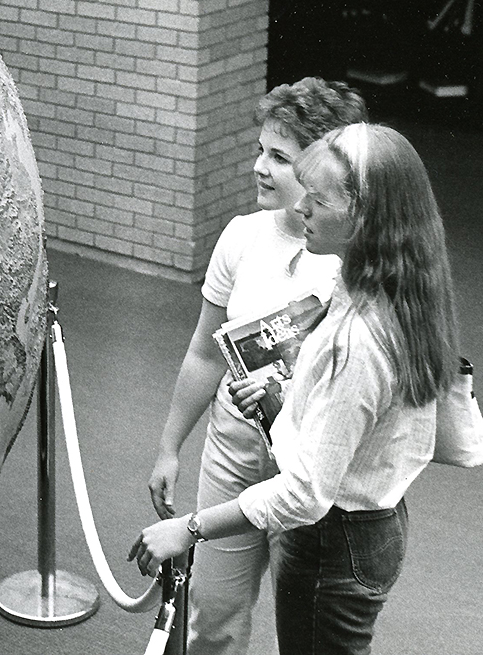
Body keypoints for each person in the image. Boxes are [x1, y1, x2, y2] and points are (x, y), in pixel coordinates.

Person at [130, 123, 460, 655]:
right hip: (366, 526)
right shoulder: (385, 290)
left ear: (362, 217)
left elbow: (306, 492)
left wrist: (189, 529)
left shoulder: (358, 336)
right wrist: (283, 406)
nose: (300, 206)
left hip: (335, 539)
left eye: (318, 198)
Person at [147, 78, 367, 655]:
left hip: (305, 469)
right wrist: (170, 447)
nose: (259, 168)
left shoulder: (354, 265)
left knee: (305, 634)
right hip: (231, 450)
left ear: (322, 172)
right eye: (260, 151)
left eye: (280, 157)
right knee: (213, 620)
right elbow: (203, 350)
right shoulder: (240, 237)